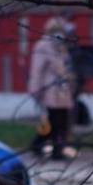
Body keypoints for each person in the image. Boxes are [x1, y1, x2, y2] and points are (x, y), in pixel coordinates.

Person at [27, 15, 77, 160]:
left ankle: (51, 148)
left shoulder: (62, 47)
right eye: (55, 30)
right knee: (54, 122)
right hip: (50, 91)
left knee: (61, 123)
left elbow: (67, 68)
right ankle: (47, 148)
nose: (59, 33)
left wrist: (72, 85)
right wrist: (35, 90)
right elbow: (36, 70)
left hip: (63, 92)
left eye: (60, 30)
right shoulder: (43, 46)